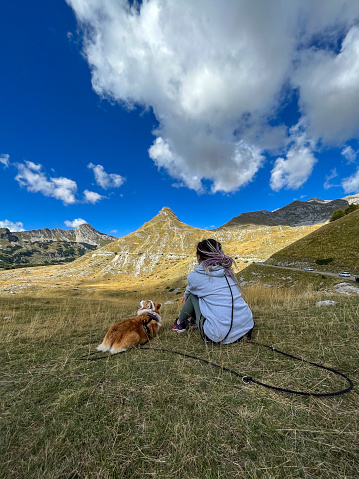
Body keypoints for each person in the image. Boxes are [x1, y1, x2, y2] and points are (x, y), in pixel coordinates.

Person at [172, 238, 254, 344]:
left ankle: (179, 322)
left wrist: (186, 294)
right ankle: (188, 321)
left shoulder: (195, 276)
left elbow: (191, 288)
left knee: (193, 296)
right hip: (247, 327)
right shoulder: (227, 271)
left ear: (199, 256)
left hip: (219, 335)